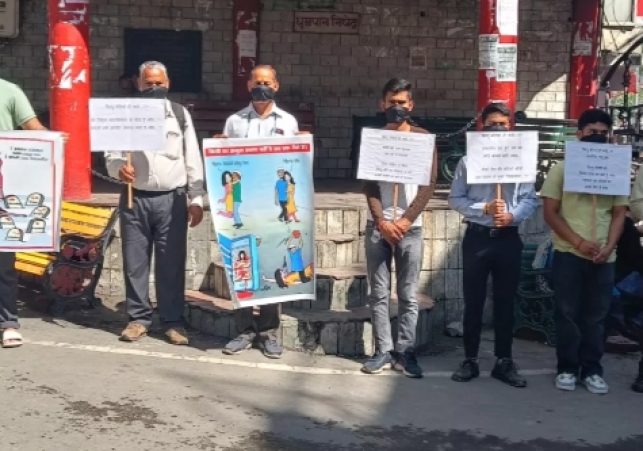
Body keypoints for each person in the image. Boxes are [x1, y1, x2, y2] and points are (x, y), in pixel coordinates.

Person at [105, 61, 205, 346]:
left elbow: (192, 159)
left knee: (171, 263)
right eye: (148, 82)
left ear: (168, 83)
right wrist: (117, 169)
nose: (154, 87)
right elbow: (112, 154)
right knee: (135, 263)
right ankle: (138, 319)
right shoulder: (125, 115)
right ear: (138, 83)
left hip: (171, 200)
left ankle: (173, 321)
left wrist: (195, 198)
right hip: (133, 197)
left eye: (158, 82)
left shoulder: (179, 114)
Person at [214, 64, 305, 359]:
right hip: (245, 203)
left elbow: (295, 165)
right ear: (248, 85)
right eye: (257, 82)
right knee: (242, 263)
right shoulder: (235, 122)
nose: (262, 86)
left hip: (272, 207)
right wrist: (218, 149)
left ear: (276, 86)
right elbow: (226, 165)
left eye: (268, 82)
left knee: (270, 263)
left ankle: (267, 332)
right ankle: (243, 329)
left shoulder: (288, 122)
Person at [448, 102, 539, 388]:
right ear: (482, 128)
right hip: (477, 237)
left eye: (502, 124)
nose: (497, 129)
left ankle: (504, 360)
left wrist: (513, 215)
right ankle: (470, 359)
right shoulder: (467, 162)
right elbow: (455, 199)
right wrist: (483, 208)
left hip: (508, 239)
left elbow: (530, 199)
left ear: (509, 126)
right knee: (473, 302)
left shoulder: (522, 162)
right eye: (491, 125)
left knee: (505, 302)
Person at [541, 108, 627, 394]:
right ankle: (567, 367)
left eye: (603, 133)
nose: (598, 137)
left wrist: (609, 246)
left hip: (605, 255)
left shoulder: (616, 169)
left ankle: (592, 369)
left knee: (597, 316)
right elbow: (550, 213)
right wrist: (578, 242)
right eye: (592, 133)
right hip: (569, 252)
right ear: (579, 134)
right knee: (567, 313)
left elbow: (618, 213)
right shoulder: (561, 169)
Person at [361, 78, 438, 379]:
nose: (397, 107)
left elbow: (428, 186)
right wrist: (382, 221)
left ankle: (405, 351)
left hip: (411, 229)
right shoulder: (374, 139)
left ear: (411, 105)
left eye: (402, 103)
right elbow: (369, 186)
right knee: (378, 293)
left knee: (407, 294)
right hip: (378, 227)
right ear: (382, 105)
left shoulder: (422, 138)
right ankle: (383, 349)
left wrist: (405, 220)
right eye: (391, 102)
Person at [0, 77, 61, 348]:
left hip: (3, 188)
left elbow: (32, 128)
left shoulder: (10, 91)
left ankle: (8, 322)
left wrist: (53, 142)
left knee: (3, 264)